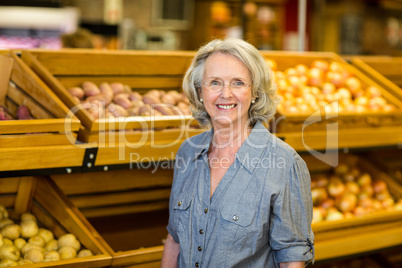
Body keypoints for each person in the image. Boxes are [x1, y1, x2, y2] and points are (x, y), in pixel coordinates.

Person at [161, 38, 314, 268]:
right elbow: (175, 239)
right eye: (214, 82)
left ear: (255, 92)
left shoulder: (284, 163)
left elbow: (292, 258)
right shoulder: (187, 153)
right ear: (200, 91)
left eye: (238, 83)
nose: (226, 94)